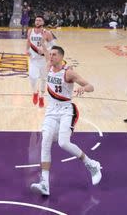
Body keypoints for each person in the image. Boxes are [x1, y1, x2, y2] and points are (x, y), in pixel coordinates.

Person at [30, 42, 102, 196]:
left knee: (63, 142)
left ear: (61, 57)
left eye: (54, 54)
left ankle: (91, 164)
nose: (51, 56)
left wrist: (83, 88)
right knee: (45, 142)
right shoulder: (48, 66)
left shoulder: (68, 73)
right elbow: (44, 51)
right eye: (51, 54)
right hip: (51, 110)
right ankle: (44, 184)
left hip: (66, 111)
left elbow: (91, 86)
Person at [25, 16, 54, 108]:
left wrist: (45, 49)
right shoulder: (30, 31)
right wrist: (27, 49)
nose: (37, 21)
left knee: (43, 79)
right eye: (36, 20)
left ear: (43, 22)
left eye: (39, 20)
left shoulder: (47, 33)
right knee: (32, 77)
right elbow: (28, 41)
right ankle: (35, 92)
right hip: (33, 59)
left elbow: (53, 47)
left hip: (43, 60)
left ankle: (41, 97)